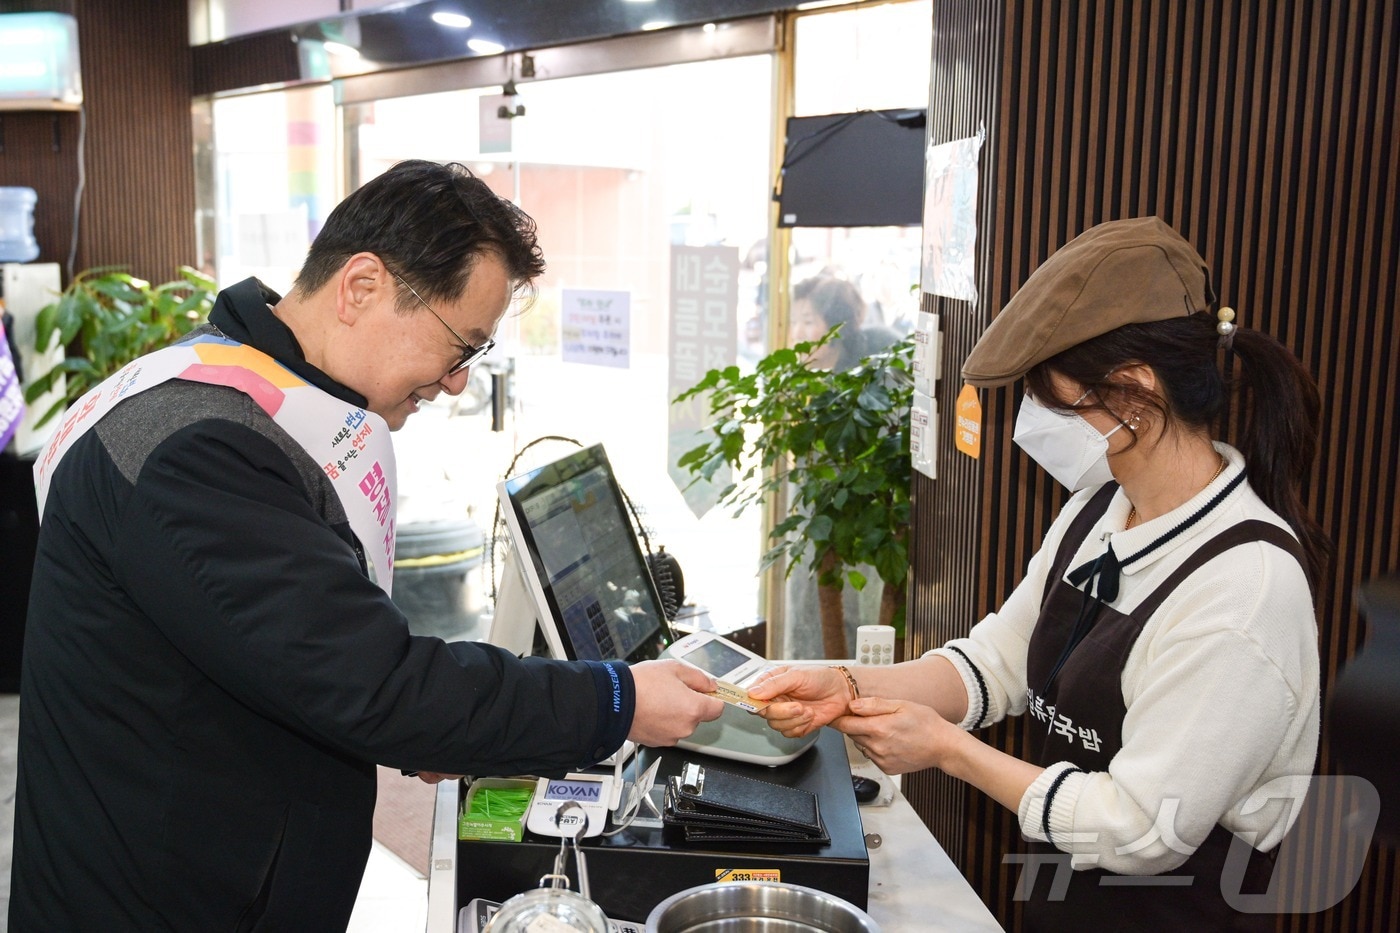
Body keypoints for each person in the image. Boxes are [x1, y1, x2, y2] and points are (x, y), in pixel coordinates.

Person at [8, 160, 724, 931]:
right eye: (461, 344)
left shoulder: (274, 406)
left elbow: (318, 650)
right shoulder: (196, 446)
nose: (456, 382)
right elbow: (373, 684)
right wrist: (617, 699)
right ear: (360, 286)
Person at [751, 217, 1328, 930]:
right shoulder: (1100, 510)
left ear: (1133, 393)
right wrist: (844, 685)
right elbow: (999, 661)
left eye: (1054, 400)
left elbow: (1142, 826)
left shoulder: (1245, 588)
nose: (1035, 421)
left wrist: (949, 751)